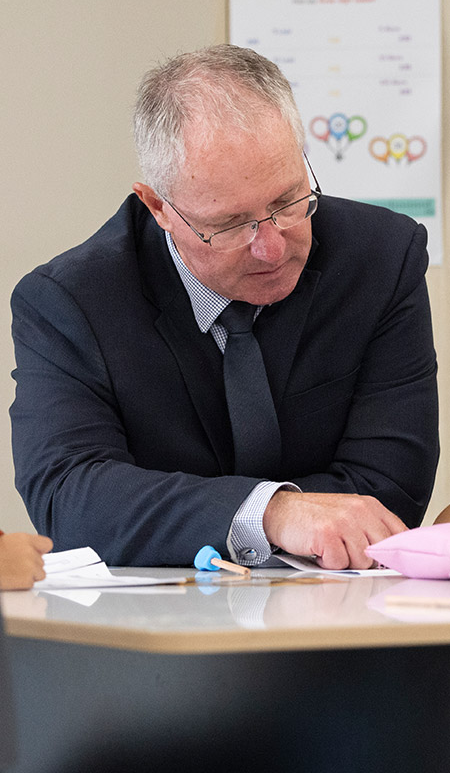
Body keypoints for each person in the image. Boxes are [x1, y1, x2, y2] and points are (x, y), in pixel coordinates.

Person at [10, 45, 438, 570]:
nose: (273, 247)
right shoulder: (72, 301)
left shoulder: (381, 258)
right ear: (158, 208)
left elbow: (389, 490)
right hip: (161, 631)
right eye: (232, 224)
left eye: (287, 201)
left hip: (343, 614)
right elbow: (68, 496)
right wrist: (271, 514)